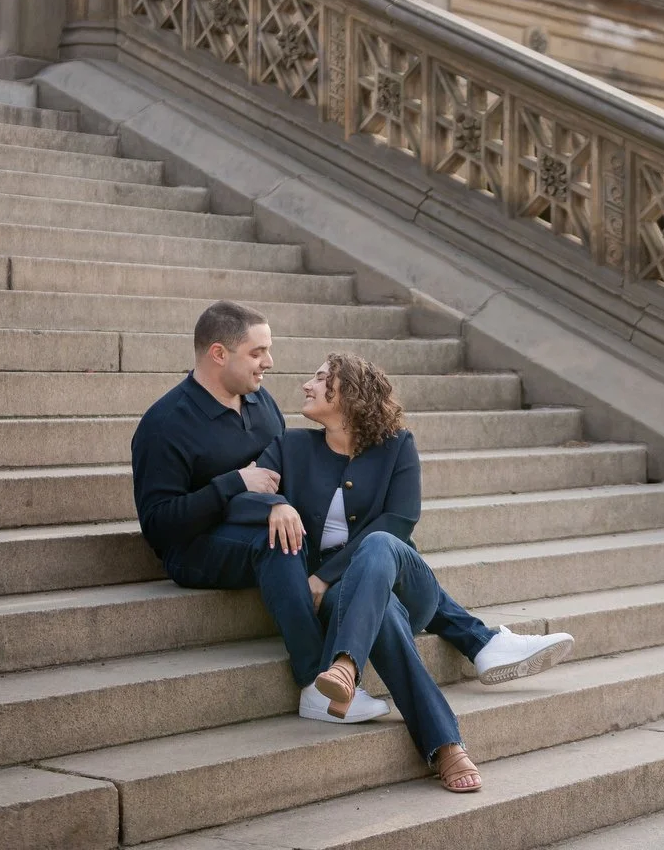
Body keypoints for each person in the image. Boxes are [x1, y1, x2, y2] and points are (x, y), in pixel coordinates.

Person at [230, 352, 575, 793]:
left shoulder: (398, 446)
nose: (307, 385)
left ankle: (345, 664)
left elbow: (399, 522)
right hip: (354, 602)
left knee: (379, 545)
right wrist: (275, 504)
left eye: (320, 379)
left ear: (349, 394)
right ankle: (446, 746)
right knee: (383, 614)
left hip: (407, 583)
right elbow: (239, 499)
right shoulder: (291, 446)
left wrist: (321, 577)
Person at [129, 300, 389, 724]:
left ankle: (469, 637)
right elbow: (159, 526)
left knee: (365, 543)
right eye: (257, 352)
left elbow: (284, 474)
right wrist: (234, 484)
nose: (269, 362)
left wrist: (276, 503)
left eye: (267, 350)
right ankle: (314, 686)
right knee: (280, 544)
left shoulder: (260, 403)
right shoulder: (165, 424)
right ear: (218, 354)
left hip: (264, 522)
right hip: (195, 547)